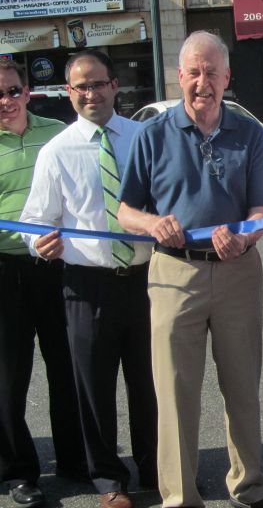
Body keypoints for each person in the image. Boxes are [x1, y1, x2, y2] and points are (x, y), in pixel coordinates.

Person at [117, 31, 263, 508]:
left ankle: (250, 485)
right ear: (180, 77)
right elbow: (126, 210)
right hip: (174, 274)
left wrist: (246, 235)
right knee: (174, 393)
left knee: (242, 386)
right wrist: (154, 223)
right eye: (194, 72)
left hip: (237, 272)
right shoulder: (151, 135)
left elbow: (261, 209)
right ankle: (179, 497)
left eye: (212, 72)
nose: (202, 82)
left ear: (227, 77)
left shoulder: (249, 134)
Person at [19, 50, 157, 508]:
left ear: (115, 86)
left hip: (146, 279)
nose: (90, 93)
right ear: (69, 92)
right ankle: (108, 481)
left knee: (149, 381)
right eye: (80, 86)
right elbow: (33, 222)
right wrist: (39, 243)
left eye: (98, 83)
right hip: (85, 284)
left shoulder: (144, 138)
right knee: (93, 388)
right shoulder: (56, 151)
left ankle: (157, 468)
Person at [0, 58, 86, 508]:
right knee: (8, 379)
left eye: (13, 91)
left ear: (27, 91)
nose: (6, 102)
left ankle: (75, 460)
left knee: (66, 369)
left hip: (55, 267)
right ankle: (19, 472)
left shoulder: (55, 134)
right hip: (4, 269)